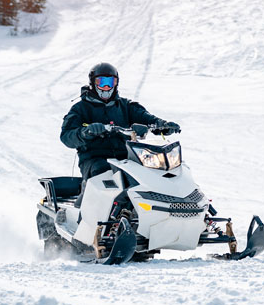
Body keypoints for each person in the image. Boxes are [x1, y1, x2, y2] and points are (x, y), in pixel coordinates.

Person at [60, 63, 180, 202]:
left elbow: (145, 117)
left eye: (110, 82)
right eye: (101, 82)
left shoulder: (125, 106)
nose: (106, 87)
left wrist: (162, 125)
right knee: (105, 173)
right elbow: (66, 136)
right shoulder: (80, 109)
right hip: (94, 158)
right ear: (93, 83)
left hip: (127, 157)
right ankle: (88, 214)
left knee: (153, 171)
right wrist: (85, 132)